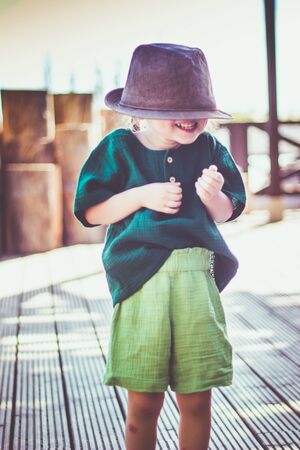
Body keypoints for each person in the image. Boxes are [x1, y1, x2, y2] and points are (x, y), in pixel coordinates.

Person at [73, 43, 246, 450]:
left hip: (195, 281)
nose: (189, 119)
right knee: (143, 403)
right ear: (142, 111)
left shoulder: (210, 150)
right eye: (174, 110)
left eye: (197, 108)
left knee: (197, 397)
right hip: (140, 282)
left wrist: (213, 197)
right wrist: (141, 196)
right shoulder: (118, 148)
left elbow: (226, 212)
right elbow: (91, 211)